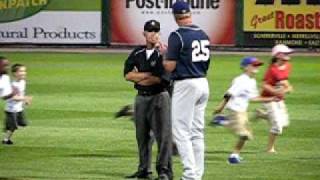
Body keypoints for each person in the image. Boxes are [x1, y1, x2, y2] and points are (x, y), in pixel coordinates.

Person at [163, 1, 211, 179]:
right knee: (197, 132)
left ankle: (190, 175)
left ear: (175, 17)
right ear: (190, 14)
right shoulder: (203, 34)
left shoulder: (177, 35)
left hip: (186, 85)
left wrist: (163, 58)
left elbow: (169, 66)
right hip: (203, 82)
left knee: (181, 131)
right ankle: (197, 174)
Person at [123, 20, 173, 180]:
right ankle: (144, 169)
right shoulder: (137, 53)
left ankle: (164, 171)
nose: (154, 34)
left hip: (160, 97)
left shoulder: (165, 54)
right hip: (141, 99)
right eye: (150, 31)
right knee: (142, 136)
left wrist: (138, 77)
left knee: (163, 136)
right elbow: (127, 75)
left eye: (157, 31)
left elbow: (161, 80)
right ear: (144, 34)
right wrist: (146, 76)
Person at [214, 57, 277, 164]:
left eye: (257, 65)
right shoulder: (241, 80)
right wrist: (221, 107)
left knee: (247, 135)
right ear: (246, 67)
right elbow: (229, 94)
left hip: (242, 111)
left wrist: (271, 98)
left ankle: (234, 154)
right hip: (235, 110)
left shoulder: (252, 81)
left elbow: (253, 98)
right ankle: (224, 122)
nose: (256, 67)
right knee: (244, 135)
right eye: (254, 65)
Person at [260, 44, 294, 153]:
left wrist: (288, 87)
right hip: (269, 99)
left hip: (279, 99)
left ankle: (263, 115)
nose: (288, 55)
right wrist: (275, 92)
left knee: (285, 123)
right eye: (286, 53)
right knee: (278, 126)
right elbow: (264, 85)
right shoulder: (272, 69)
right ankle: (270, 148)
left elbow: (283, 80)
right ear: (278, 56)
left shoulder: (288, 65)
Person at [2, 63, 32, 145]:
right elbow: (13, 97)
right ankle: (5, 139)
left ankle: (8, 127)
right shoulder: (12, 85)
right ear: (15, 73)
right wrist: (25, 98)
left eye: (24, 71)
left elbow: (21, 94)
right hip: (11, 110)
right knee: (13, 127)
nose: (24, 73)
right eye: (21, 71)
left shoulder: (23, 82)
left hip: (19, 109)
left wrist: (25, 101)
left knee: (23, 123)